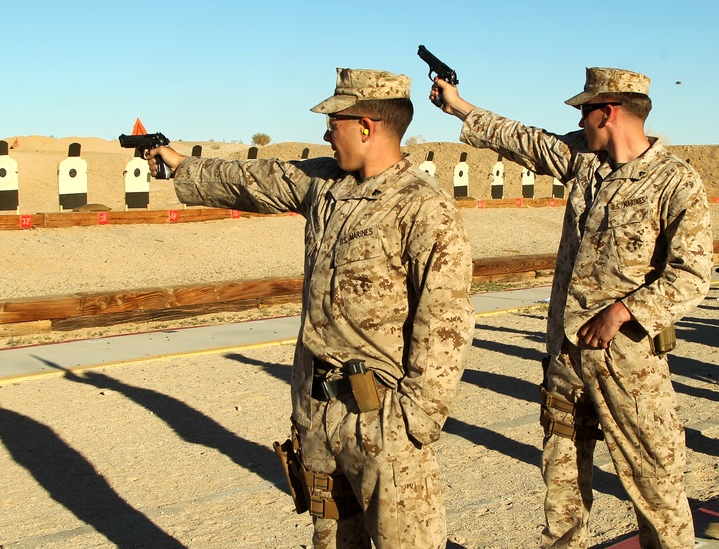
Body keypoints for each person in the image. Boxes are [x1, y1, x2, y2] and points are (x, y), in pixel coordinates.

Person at [149, 68, 475, 548]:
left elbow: (445, 318)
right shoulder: (326, 184)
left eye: (334, 121)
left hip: (381, 418)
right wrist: (180, 164)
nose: (326, 132)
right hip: (318, 412)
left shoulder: (424, 207)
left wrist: (414, 421)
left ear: (366, 126)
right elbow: (253, 178)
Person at [430, 67, 712, 549]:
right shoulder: (584, 160)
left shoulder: (675, 182)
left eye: (585, 110)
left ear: (610, 111)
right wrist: (460, 107)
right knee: (561, 488)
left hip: (630, 362)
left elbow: (691, 275)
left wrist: (622, 312)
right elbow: (525, 140)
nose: (579, 120)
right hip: (566, 357)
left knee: (656, 484)